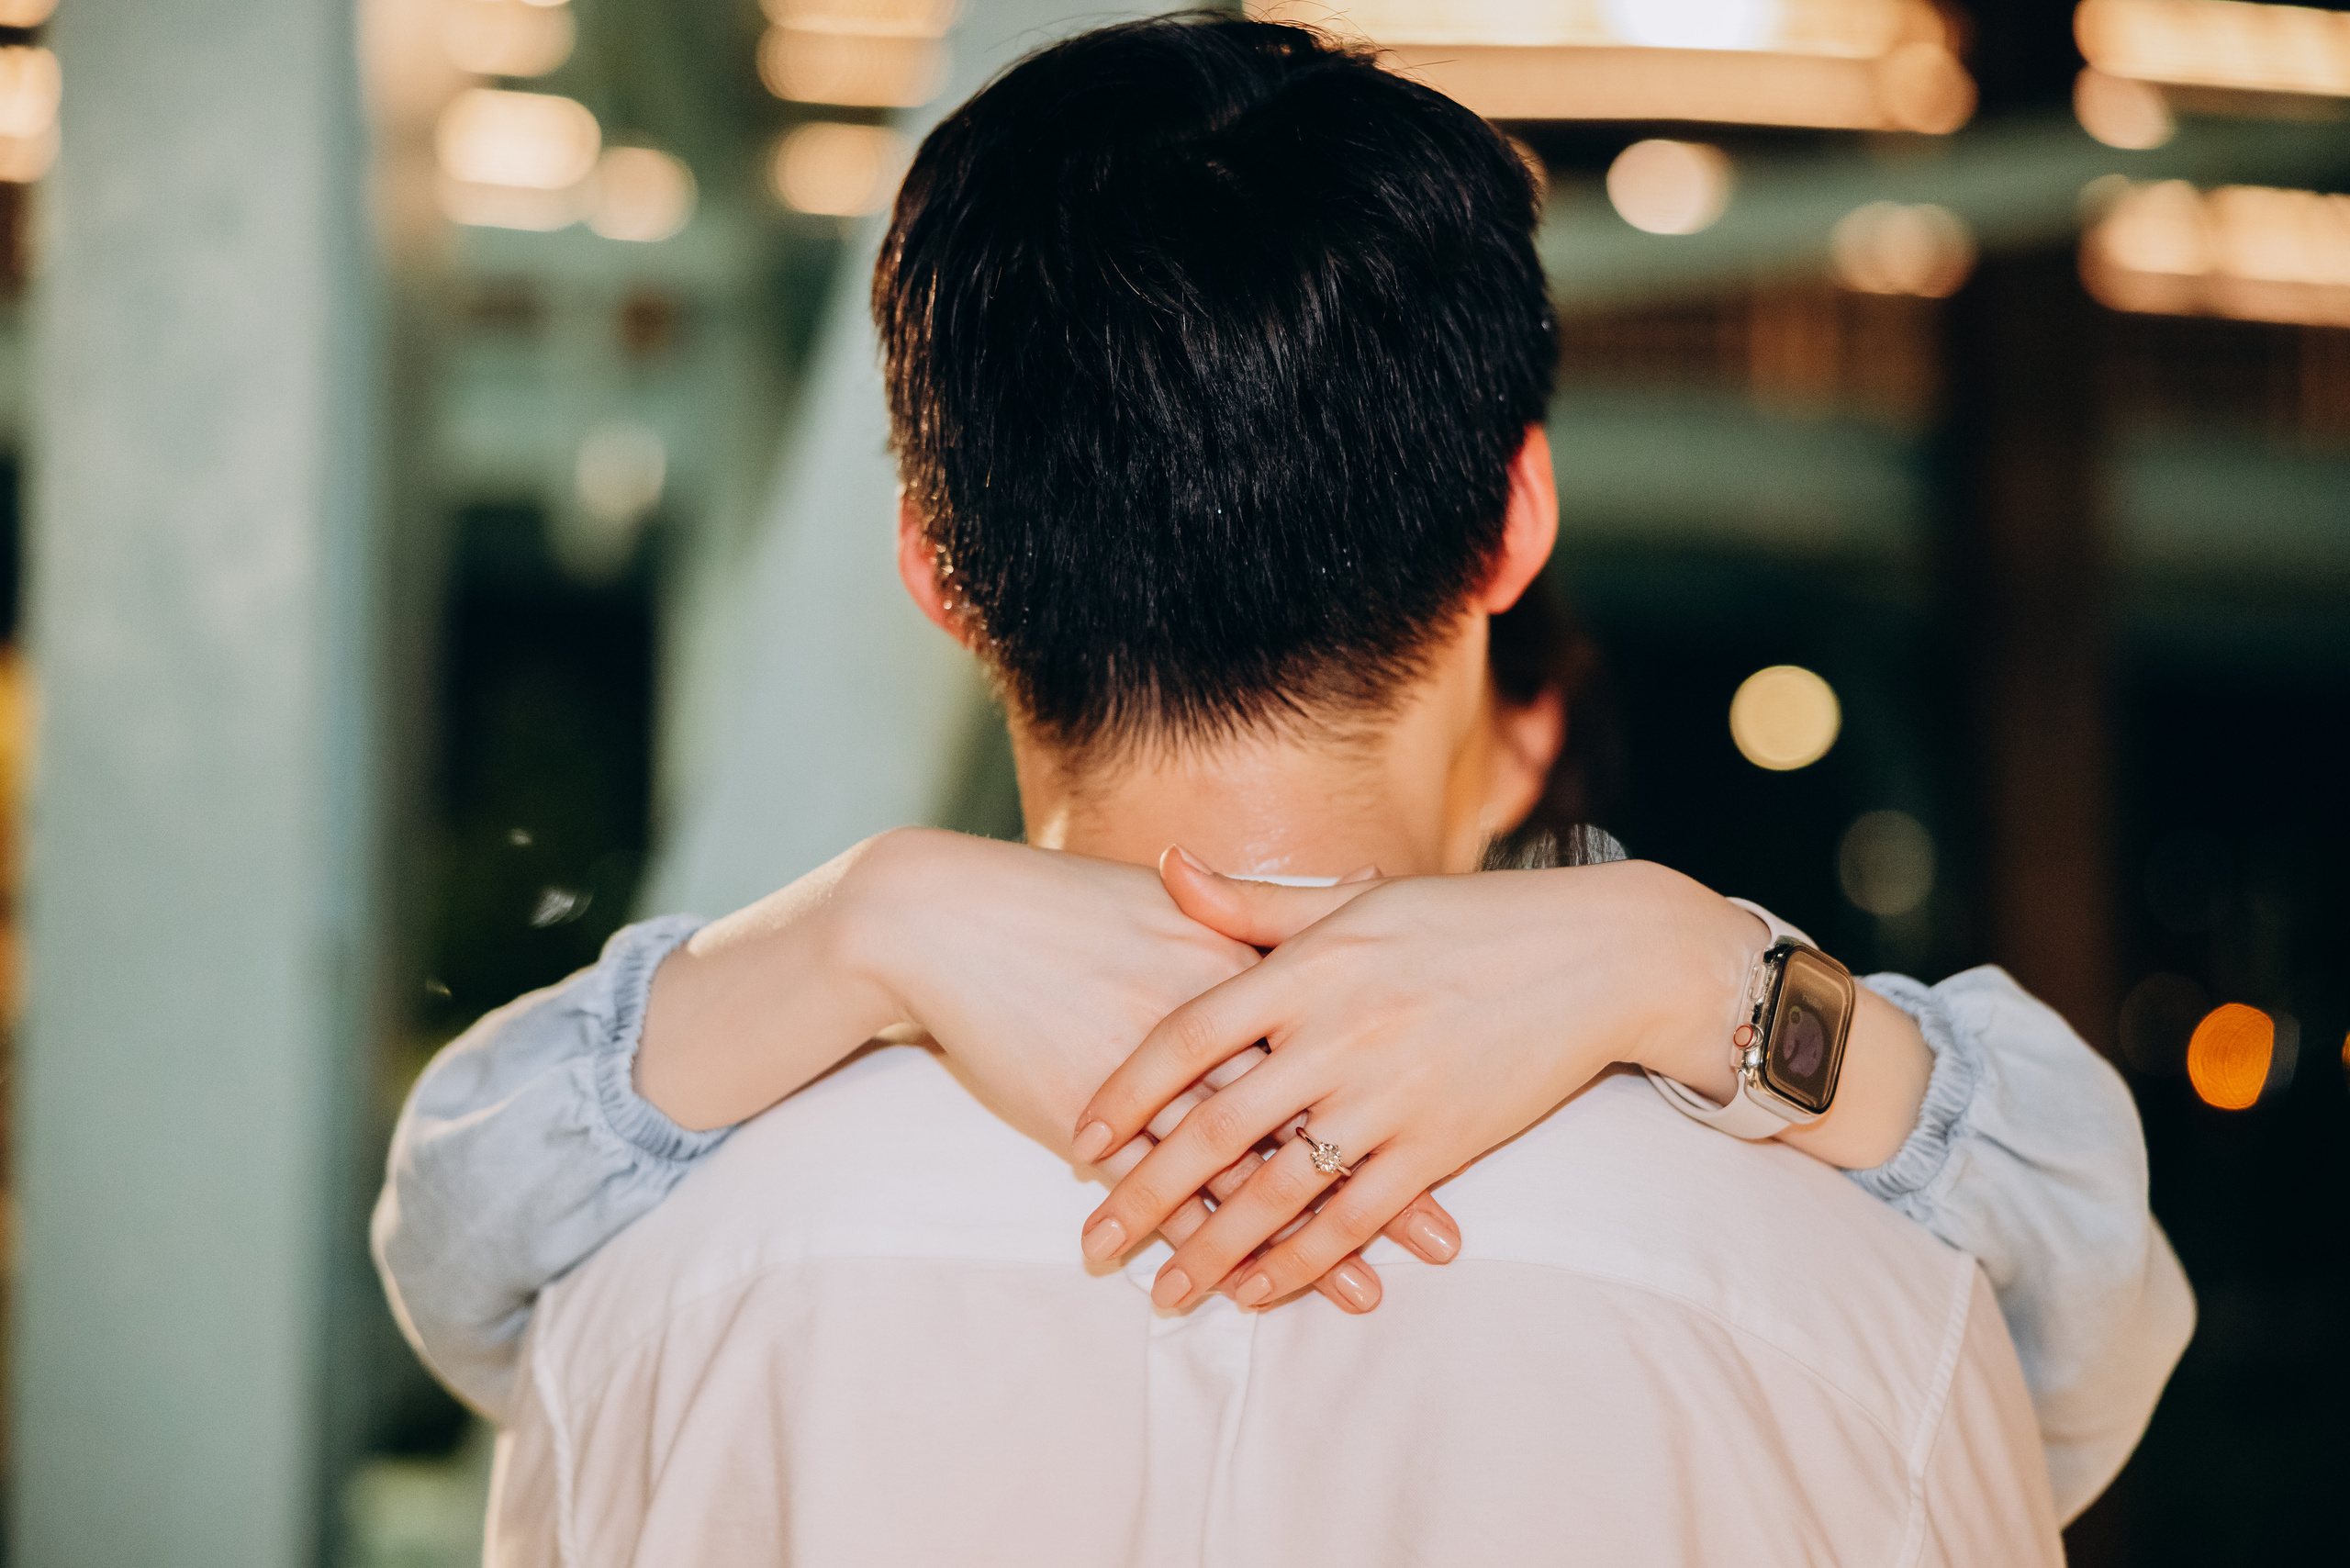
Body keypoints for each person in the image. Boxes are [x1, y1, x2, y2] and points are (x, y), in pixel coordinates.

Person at [372, 12, 2192, 1552]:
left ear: (931, 562)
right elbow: (2090, 1322)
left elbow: (453, 1244)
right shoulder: (1863, 1309)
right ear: (1514, 520)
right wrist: (1688, 963)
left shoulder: (658, 1288)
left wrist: (864, 915)